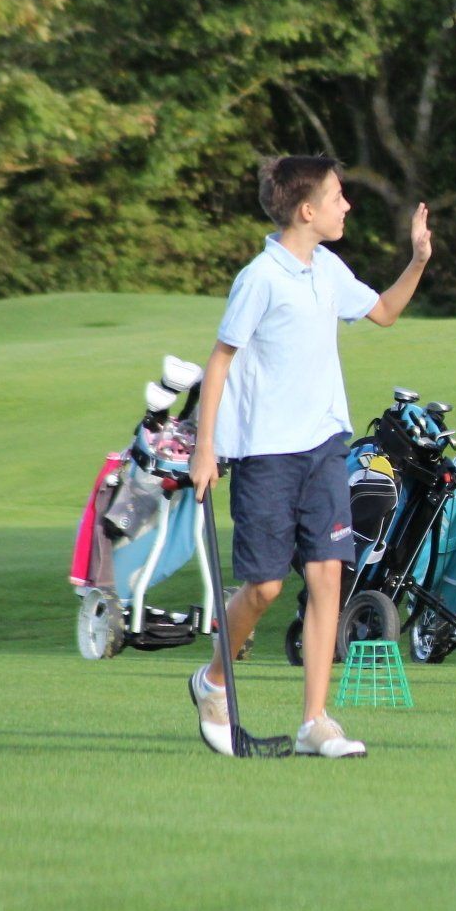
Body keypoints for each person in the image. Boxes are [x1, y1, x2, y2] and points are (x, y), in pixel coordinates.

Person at [186, 156, 434, 759]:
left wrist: (420, 259)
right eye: (337, 196)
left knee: (328, 578)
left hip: (325, 447)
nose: (346, 205)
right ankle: (212, 680)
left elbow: (384, 312)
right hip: (266, 455)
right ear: (307, 211)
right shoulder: (259, 279)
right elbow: (220, 360)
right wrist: (204, 444)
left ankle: (315, 721)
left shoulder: (328, 268)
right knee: (265, 587)